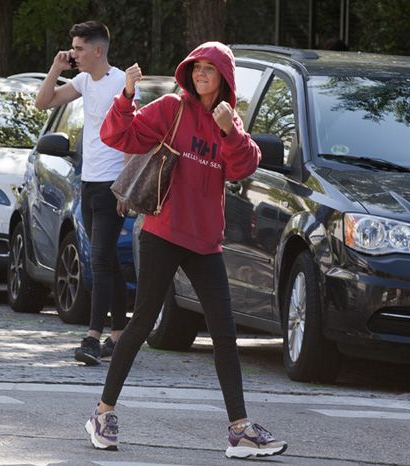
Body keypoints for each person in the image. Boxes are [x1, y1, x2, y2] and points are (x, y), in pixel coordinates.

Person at [84, 41, 288, 459]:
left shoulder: (227, 121)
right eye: (196, 68)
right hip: (162, 233)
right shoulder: (171, 109)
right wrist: (125, 96)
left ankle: (239, 430)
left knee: (225, 333)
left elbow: (244, 166)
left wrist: (230, 129)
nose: (200, 75)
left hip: (205, 242)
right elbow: (116, 134)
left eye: (209, 71)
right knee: (141, 324)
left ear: (224, 79)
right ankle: (102, 414)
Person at [35, 21, 135, 366]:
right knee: (108, 262)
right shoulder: (82, 81)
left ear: (97, 50)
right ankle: (121, 336)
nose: (73, 54)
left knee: (101, 261)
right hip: (88, 182)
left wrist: (125, 187)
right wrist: (56, 68)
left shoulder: (122, 83)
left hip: (112, 184)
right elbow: (42, 102)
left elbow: (133, 136)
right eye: (72, 48)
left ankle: (93, 337)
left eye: (78, 49)